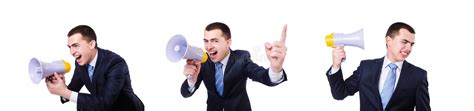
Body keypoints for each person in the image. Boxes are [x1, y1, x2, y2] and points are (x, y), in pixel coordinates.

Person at [180, 22, 288, 111]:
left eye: (215, 41)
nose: (208, 47)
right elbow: (185, 93)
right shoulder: (202, 63)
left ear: (228, 43)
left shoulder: (241, 58)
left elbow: (262, 76)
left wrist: (275, 68)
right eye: (206, 41)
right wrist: (191, 80)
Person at [326, 22, 430, 111]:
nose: (408, 48)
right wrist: (336, 65)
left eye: (411, 44)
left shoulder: (418, 75)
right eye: (404, 42)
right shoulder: (366, 68)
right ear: (388, 40)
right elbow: (339, 93)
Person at [46, 25, 144, 111]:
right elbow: (72, 90)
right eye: (69, 47)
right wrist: (61, 87)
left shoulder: (115, 63)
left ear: (92, 44)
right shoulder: (80, 63)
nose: (71, 52)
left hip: (125, 108)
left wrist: (66, 92)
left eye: (76, 46)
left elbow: (105, 102)